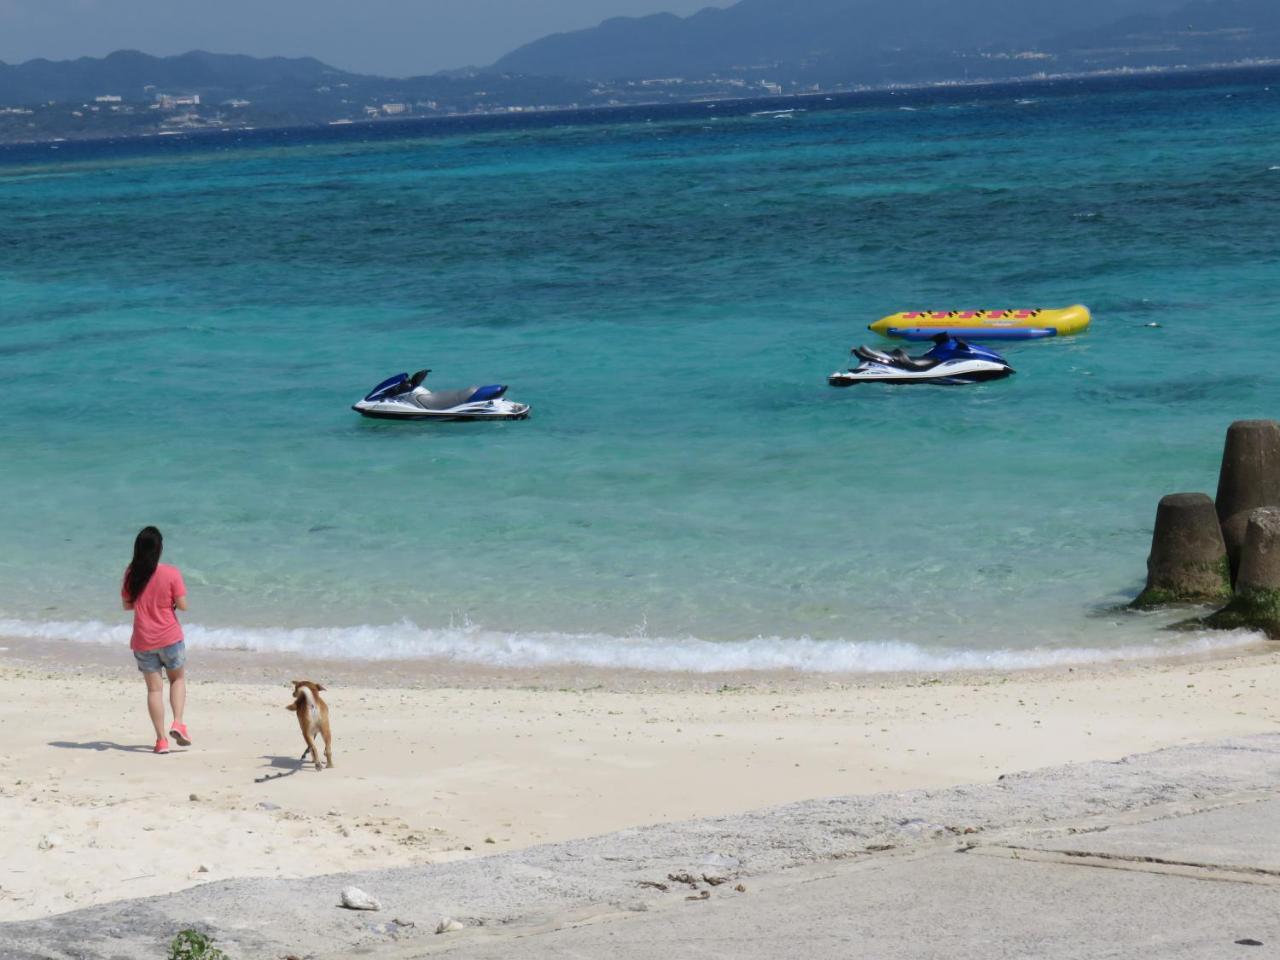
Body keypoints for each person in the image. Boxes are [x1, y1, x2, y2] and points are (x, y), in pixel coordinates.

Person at [121, 526, 191, 754]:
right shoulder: (171, 573)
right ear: (160, 549)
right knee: (177, 680)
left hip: (143, 639)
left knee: (154, 690)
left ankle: (161, 741)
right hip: (169, 637)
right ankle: (178, 722)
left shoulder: (132, 574)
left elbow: (127, 605)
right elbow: (183, 606)